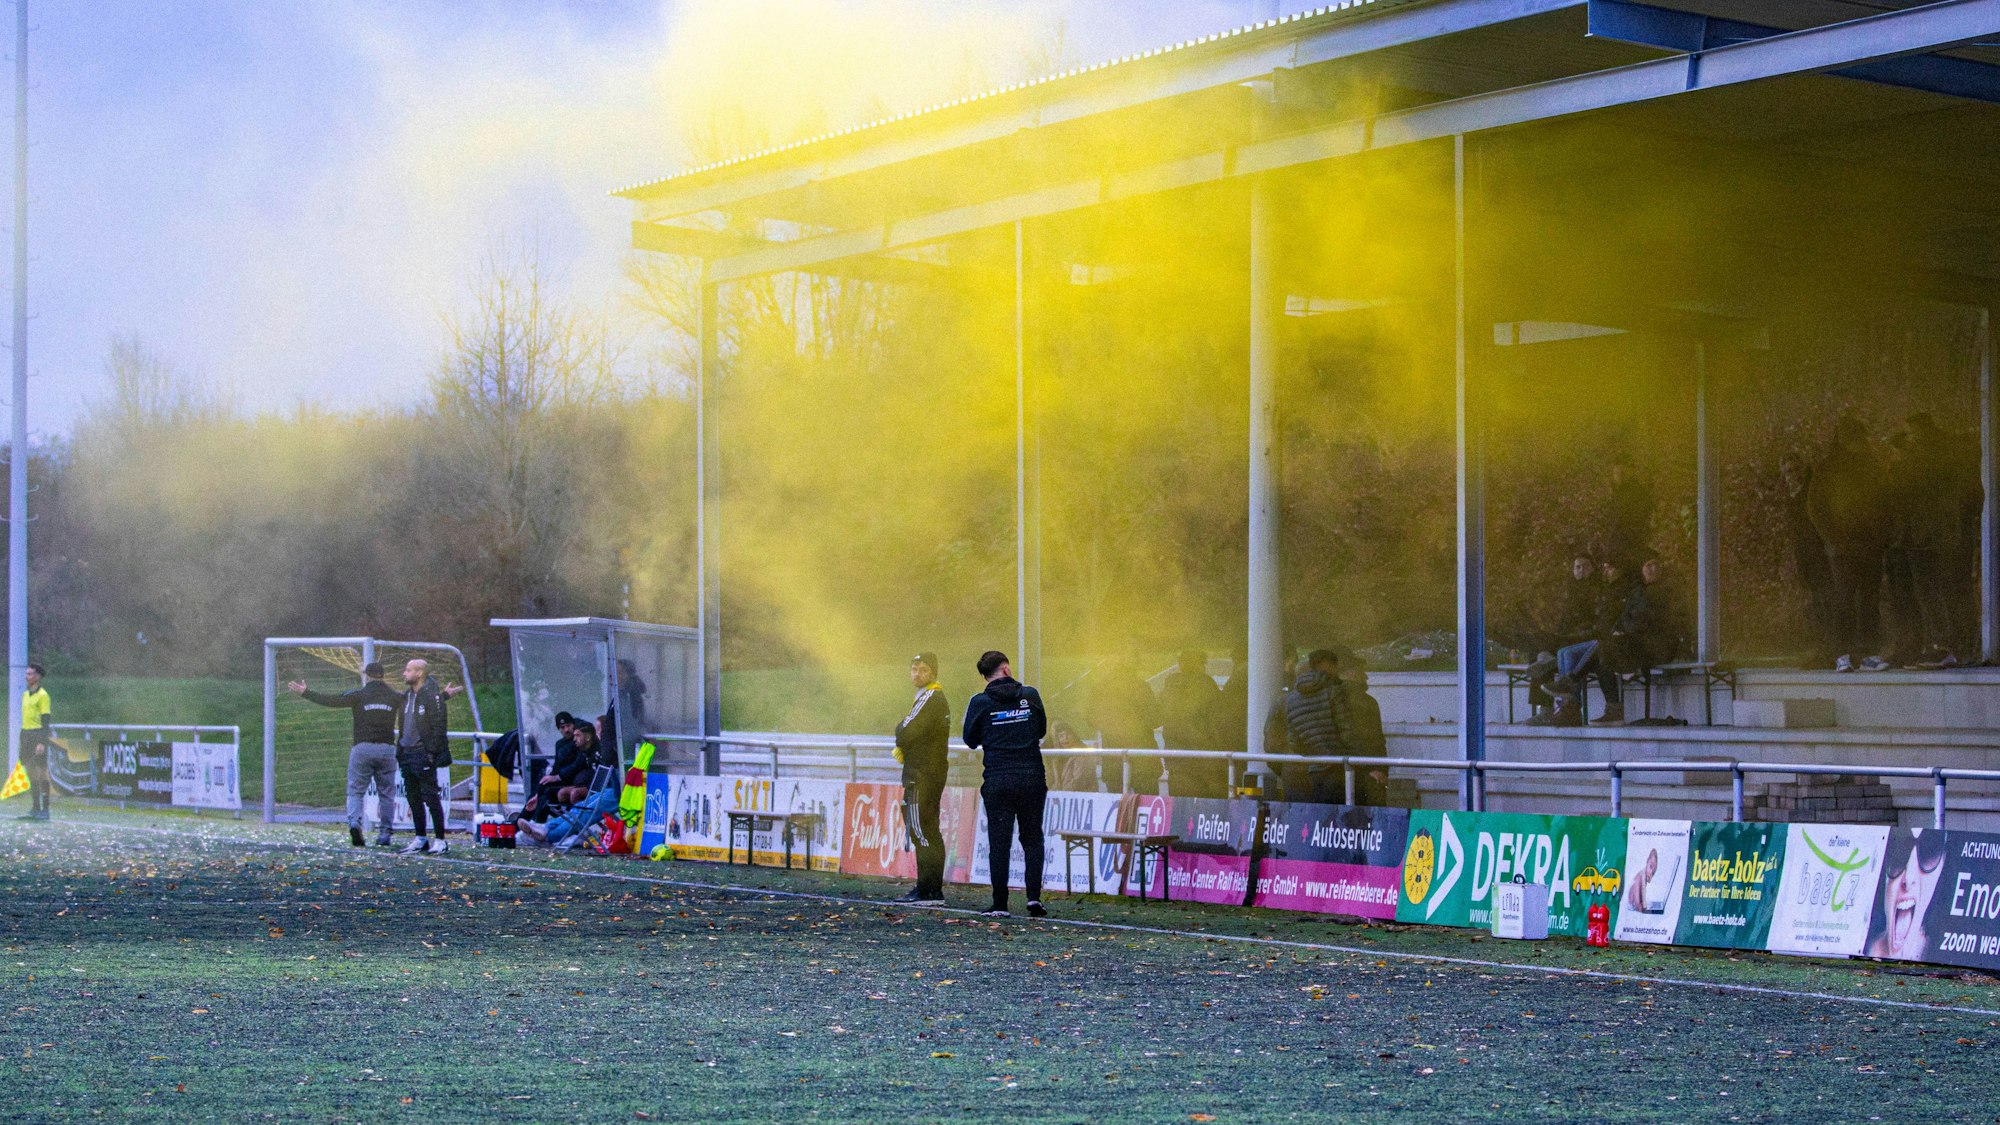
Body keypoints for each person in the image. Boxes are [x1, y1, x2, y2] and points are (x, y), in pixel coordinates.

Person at [961, 650, 1049, 919]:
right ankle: (1034, 898)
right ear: (1007, 670)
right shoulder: (1031, 696)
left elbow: (969, 739)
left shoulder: (980, 701)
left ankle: (1000, 904)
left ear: (986, 676)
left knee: (999, 843)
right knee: (1032, 838)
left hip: (998, 779)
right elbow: (1042, 729)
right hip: (1032, 777)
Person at [1808, 415, 1892, 671]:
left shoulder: (1870, 466)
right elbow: (1815, 507)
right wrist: (1834, 537)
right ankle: (1842, 653)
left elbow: (1884, 500)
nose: (1859, 443)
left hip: (1867, 545)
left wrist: (1879, 535)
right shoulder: (1828, 469)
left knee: (1868, 598)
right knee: (1845, 599)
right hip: (1843, 546)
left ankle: (1867, 652)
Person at [289, 661, 402, 847]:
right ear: (383, 675)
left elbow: (332, 700)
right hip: (387, 749)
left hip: (362, 748)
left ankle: (354, 824)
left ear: (366, 675)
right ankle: (385, 834)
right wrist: (444, 696)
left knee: (355, 791)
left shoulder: (359, 695)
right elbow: (417, 704)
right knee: (387, 794)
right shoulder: (394, 696)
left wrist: (306, 693)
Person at [891, 652, 950, 907]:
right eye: (914, 669)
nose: (917, 674)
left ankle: (927, 889)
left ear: (933, 673)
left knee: (921, 831)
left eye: (922, 669)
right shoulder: (931, 697)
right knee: (929, 830)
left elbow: (906, 731)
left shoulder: (931, 696)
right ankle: (931, 889)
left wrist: (900, 730)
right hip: (930, 772)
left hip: (921, 774)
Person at [394, 659, 452, 855]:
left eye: (408, 670)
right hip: (407, 753)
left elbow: (438, 726)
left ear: (419, 673)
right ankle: (420, 838)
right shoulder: (407, 696)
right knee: (412, 797)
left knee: (431, 797)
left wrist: (431, 753)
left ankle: (441, 840)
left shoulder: (430, 695)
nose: (404, 673)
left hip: (422, 754)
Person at [1280, 650, 1351, 804]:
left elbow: (1293, 742)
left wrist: (1312, 755)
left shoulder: (1291, 699)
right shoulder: (1334, 691)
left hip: (1314, 767)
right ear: (1329, 666)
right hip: (1338, 766)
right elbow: (1347, 731)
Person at [1159, 647, 1224, 797]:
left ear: (1181, 664)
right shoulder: (1206, 685)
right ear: (1200, 664)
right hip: (1204, 760)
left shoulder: (1169, 687)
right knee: (1207, 810)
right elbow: (1218, 719)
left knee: (1180, 807)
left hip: (1176, 760)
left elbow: (1157, 716)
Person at [1341, 660, 1388, 807]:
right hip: (1368, 774)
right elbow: (1374, 740)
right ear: (1352, 673)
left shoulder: (1329, 699)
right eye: (1362, 672)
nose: (1366, 677)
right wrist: (1378, 769)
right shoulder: (1366, 703)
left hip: (1341, 772)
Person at [16, 663, 51, 821]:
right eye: (27, 674)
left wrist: (42, 742)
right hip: (26, 734)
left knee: (42, 771)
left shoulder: (43, 695)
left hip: (37, 734)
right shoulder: (25, 694)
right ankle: (35, 807)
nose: (27, 676)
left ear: (38, 676)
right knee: (30, 771)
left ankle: (45, 809)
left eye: (30, 674)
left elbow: (45, 721)